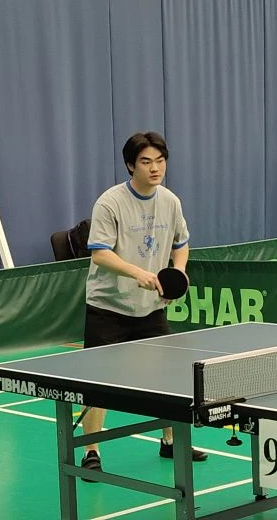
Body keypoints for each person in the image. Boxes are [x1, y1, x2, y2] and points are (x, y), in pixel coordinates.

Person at [79, 131, 207, 479]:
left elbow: (181, 244)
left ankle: (170, 441)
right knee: (97, 383)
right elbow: (100, 253)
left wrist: (177, 272)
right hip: (108, 306)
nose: (155, 168)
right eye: (146, 162)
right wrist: (138, 272)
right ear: (130, 165)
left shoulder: (170, 201)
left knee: (167, 377)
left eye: (160, 161)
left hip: (150, 308)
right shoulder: (110, 203)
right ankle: (91, 450)